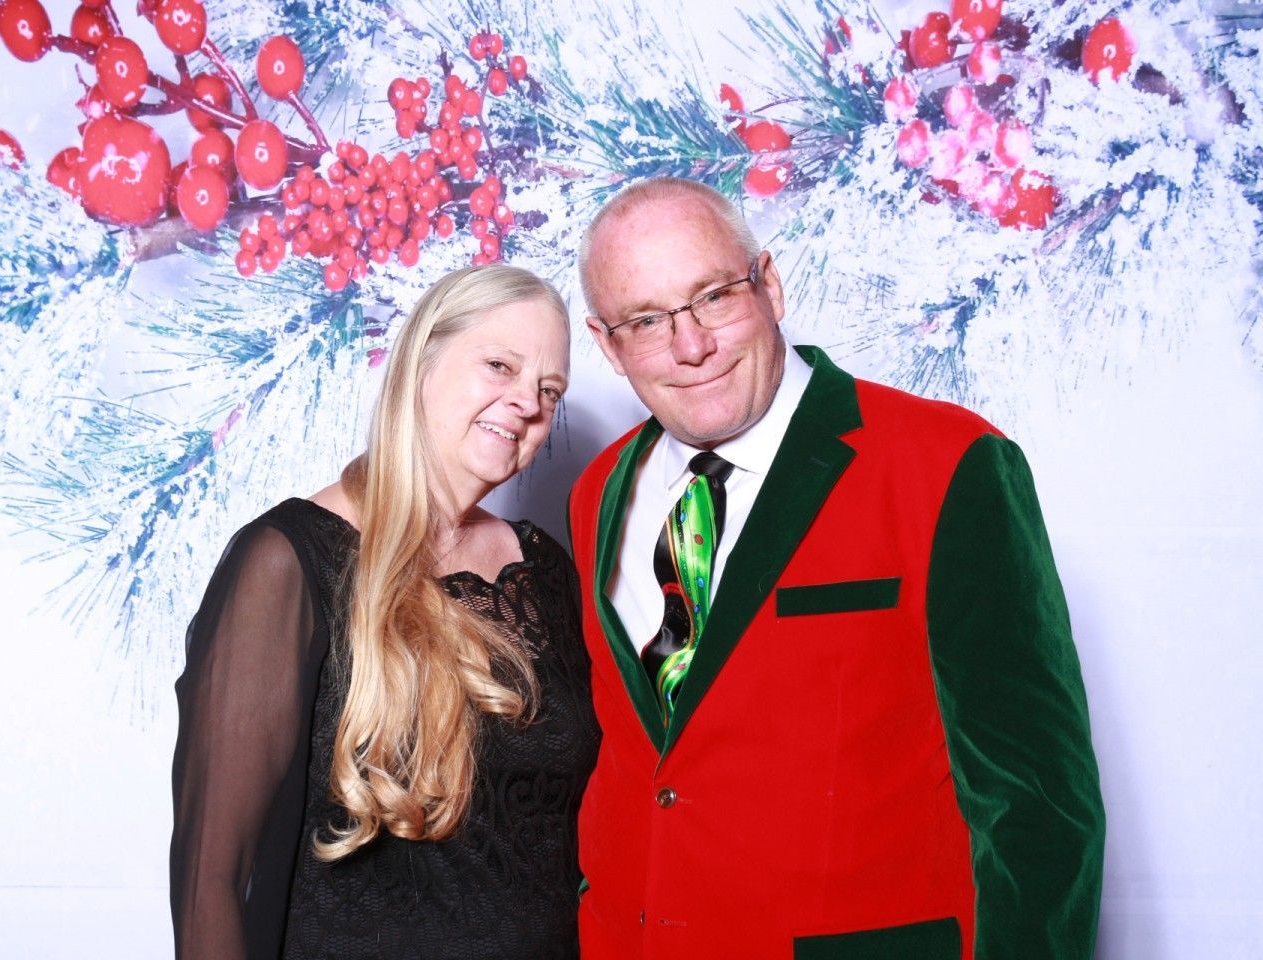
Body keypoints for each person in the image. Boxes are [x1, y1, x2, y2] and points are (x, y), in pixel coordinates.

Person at [568, 177, 1105, 960]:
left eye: (714, 297)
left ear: (771, 284)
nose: (691, 347)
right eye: (646, 320)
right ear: (608, 344)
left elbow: (1039, 809)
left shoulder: (947, 465)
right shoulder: (597, 492)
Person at [170, 264, 601, 960]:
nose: (526, 401)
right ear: (421, 361)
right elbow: (213, 880)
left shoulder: (543, 567)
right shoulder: (288, 561)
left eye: (549, 390)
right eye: (499, 366)